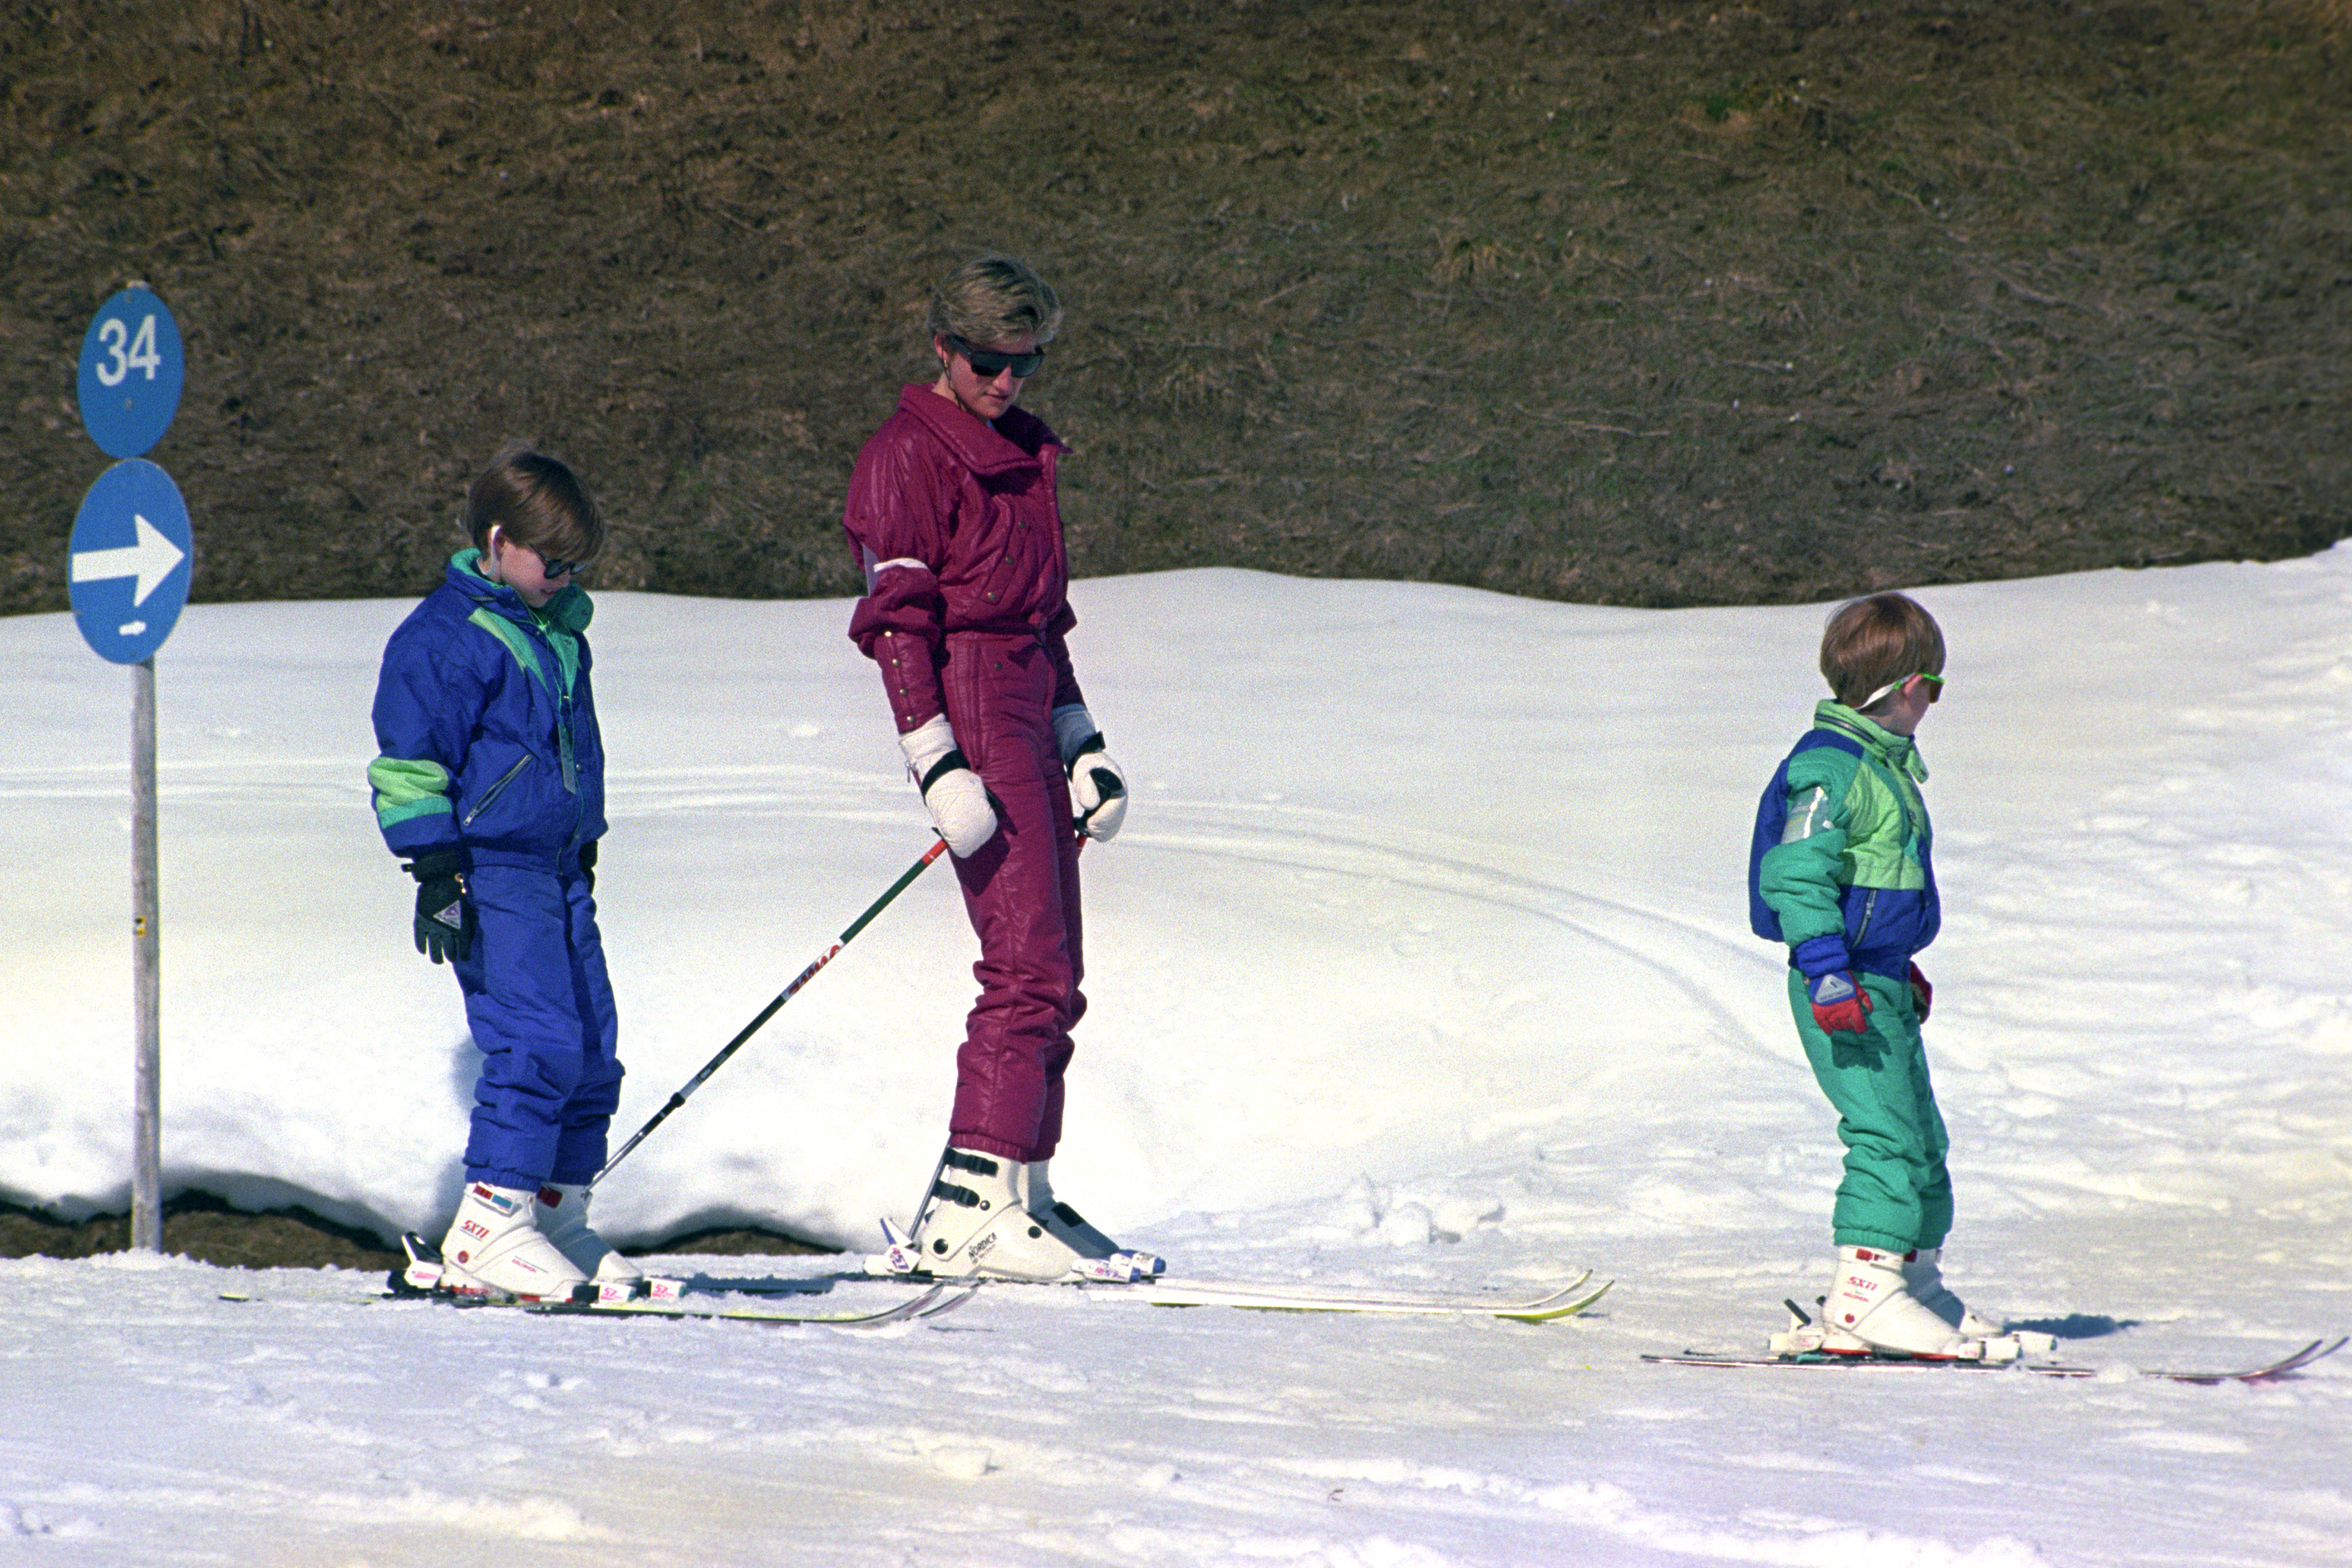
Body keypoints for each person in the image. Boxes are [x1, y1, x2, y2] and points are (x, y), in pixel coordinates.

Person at [841, 255, 1150, 1283]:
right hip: (967, 697)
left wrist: (1082, 739)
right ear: (941, 347)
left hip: (1023, 693)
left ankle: (1024, 1187)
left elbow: (1044, 618)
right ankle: (970, 1201)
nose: (1005, 382)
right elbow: (898, 627)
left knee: (1057, 969)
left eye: (1025, 363)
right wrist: (935, 761)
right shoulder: (906, 458)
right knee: (1023, 962)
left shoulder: (1023, 451)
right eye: (985, 362)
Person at [367, 444, 635, 1300]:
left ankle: (555, 1217)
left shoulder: (557, 632)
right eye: (549, 562)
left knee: (593, 1048)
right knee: (537, 1041)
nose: (561, 578)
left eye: (575, 566)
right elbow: (409, 765)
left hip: (558, 868)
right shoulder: (444, 641)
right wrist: (437, 873)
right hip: (489, 870)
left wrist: (580, 837)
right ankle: (490, 1221)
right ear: (497, 539)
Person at [1750, 591, 2002, 1356]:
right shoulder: (1831, 768)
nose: (1934, 701)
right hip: (1841, 986)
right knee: (1884, 1133)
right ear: (1905, 689)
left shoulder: (1885, 768)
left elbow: (1872, 885)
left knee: (1921, 1135)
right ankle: (1862, 1297)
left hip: (1878, 977)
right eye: (1936, 686)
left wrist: (1899, 960)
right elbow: (1796, 878)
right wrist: (1829, 970)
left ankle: (1912, 1284)